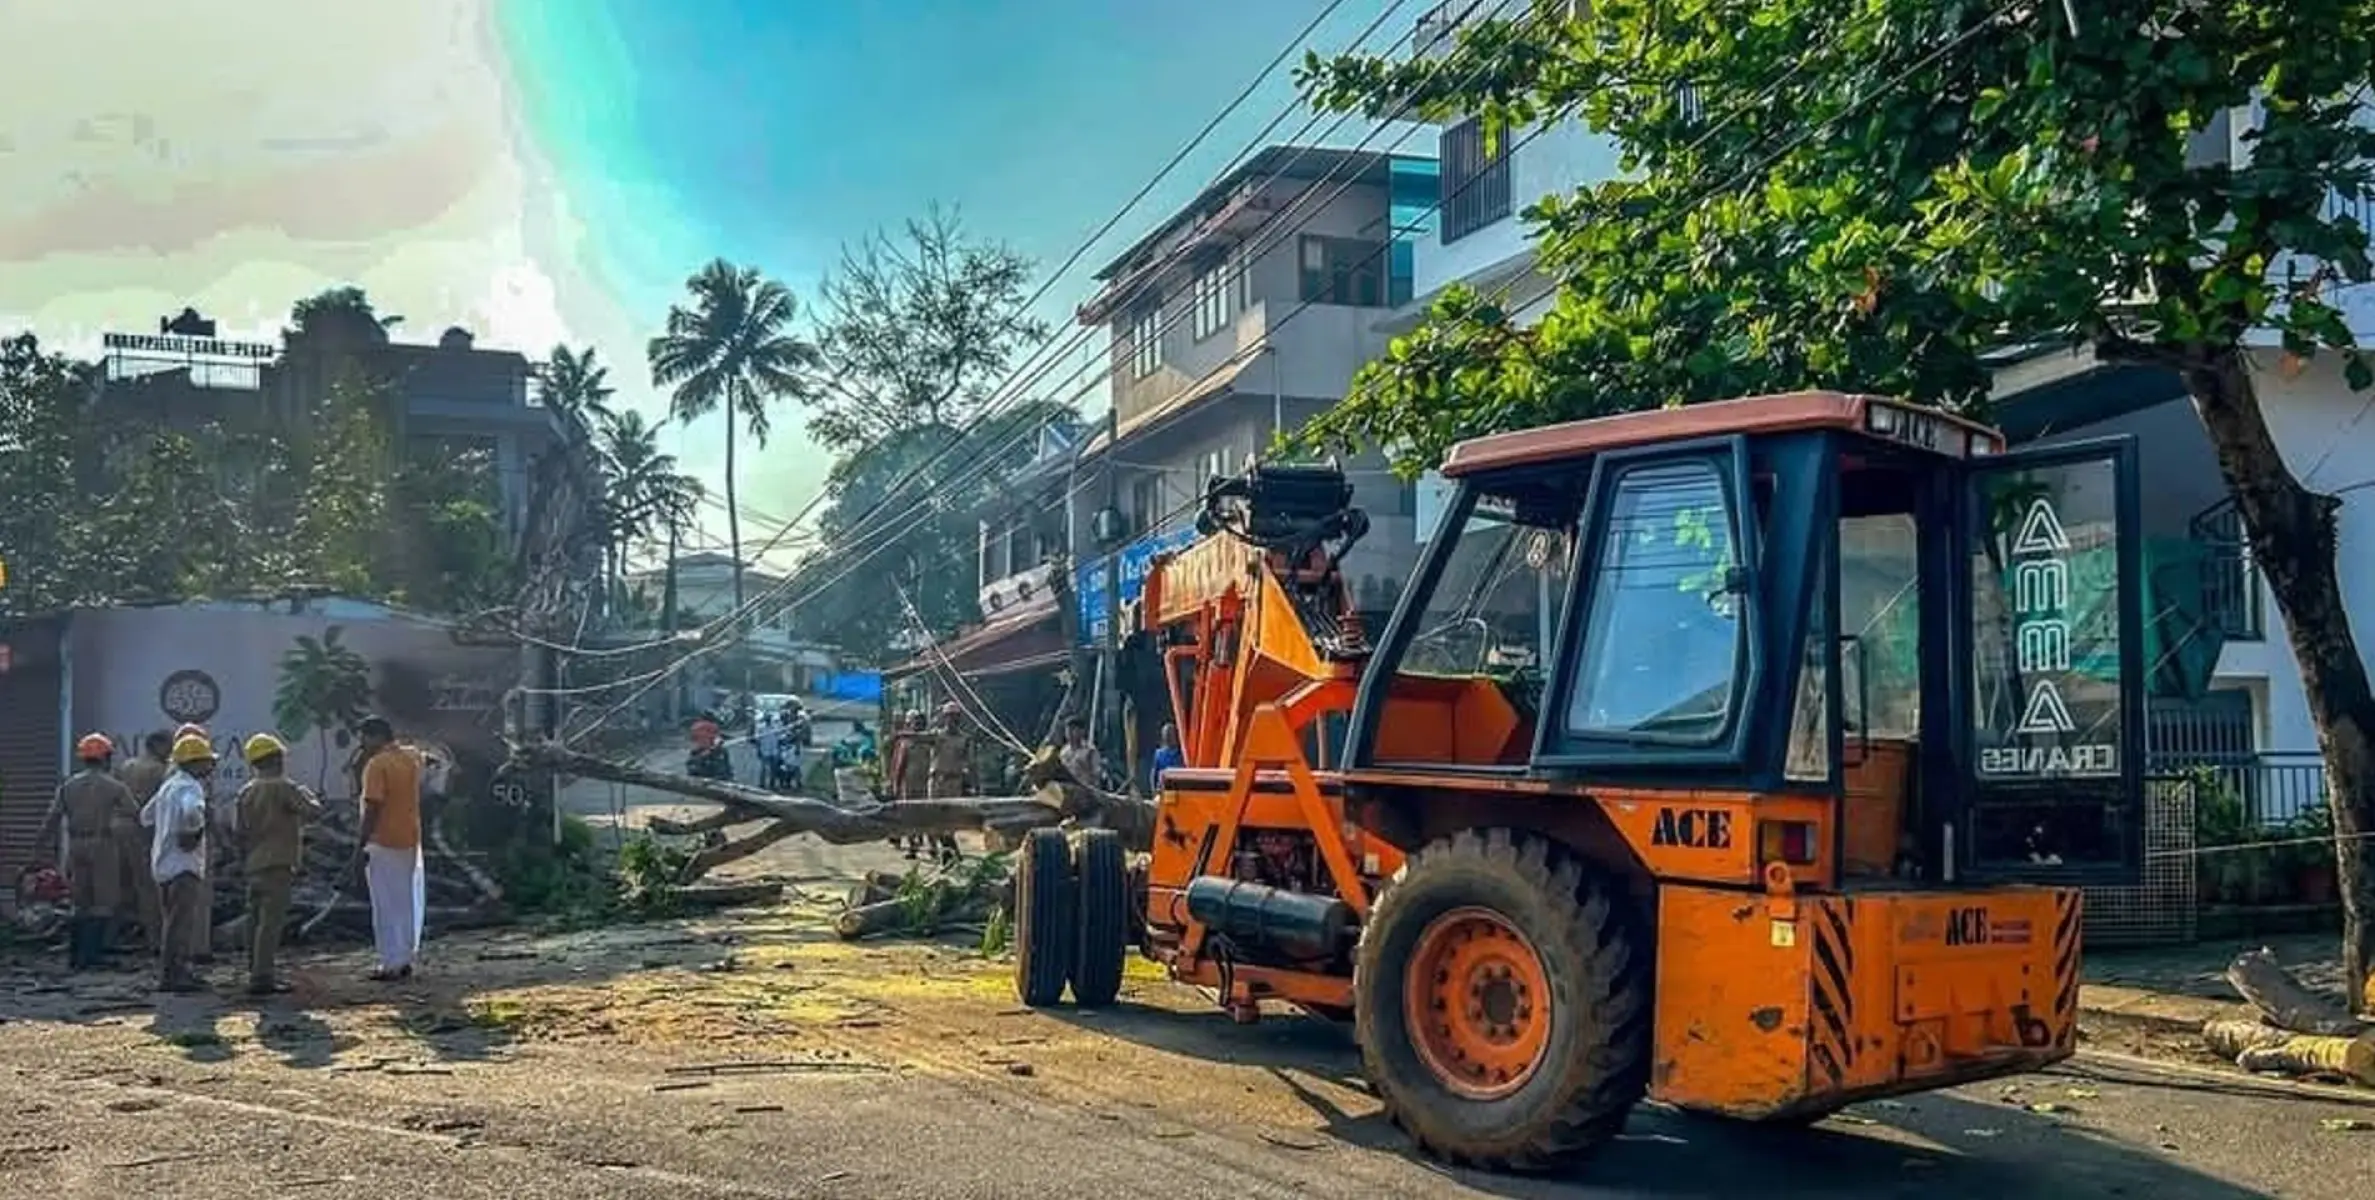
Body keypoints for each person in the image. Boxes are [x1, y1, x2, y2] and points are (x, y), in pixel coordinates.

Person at [36, 734, 139, 969]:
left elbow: (51, 819)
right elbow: (134, 813)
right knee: (102, 901)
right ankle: (92, 956)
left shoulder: (68, 785)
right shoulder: (114, 786)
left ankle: (75, 955)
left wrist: (38, 849)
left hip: (76, 844)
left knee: (79, 901)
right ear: (106, 758)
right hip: (102, 843)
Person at [235, 733, 322, 995]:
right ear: (276, 758)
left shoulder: (246, 791)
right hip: (279, 863)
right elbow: (312, 812)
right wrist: (310, 796)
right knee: (270, 924)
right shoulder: (284, 787)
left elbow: (239, 832)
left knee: (254, 920)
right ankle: (263, 978)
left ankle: (254, 969)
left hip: (254, 863)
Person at [141, 734, 216, 993]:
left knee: (171, 922)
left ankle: (173, 972)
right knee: (180, 924)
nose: (210, 767)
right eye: (207, 761)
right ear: (196, 762)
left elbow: (145, 817)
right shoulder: (191, 787)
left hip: (162, 863)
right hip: (184, 864)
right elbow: (193, 811)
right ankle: (175, 975)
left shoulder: (168, 786)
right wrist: (192, 833)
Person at [355, 716, 425, 982]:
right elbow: (422, 755)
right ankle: (405, 958)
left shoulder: (377, 765)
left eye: (363, 737)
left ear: (376, 736)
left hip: (382, 840)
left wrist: (360, 842)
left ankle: (391, 963)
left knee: (385, 904)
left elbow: (372, 806)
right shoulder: (410, 758)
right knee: (405, 901)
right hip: (409, 837)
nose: (361, 744)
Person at [113, 732, 172, 953]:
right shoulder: (160, 770)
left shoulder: (126, 766)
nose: (171, 751)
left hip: (117, 827)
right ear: (157, 745)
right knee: (147, 887)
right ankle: (155, 941)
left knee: (118, 886)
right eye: (169, 746)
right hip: (141, 829)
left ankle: (111, 939)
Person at [924, 703, 974, 863]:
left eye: (955, 717)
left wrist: (971, 783)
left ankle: (949, 853)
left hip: (954, 781)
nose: (952, 720)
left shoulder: (965, 739)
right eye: (949, 716)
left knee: (951, 819)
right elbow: (919, 737)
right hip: (937, 780)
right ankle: (951, 852)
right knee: (934, 817)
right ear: (944, 718)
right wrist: (901, 735)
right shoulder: (937, 735)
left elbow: (970, 763)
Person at [1058, 718, 1103, 791]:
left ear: (1082, 731)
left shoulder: (1090, 751)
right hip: (1067, 790)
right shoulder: (1063, 752)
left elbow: (1097, 775)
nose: (1070, 733)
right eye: (1068, 730)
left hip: (1084, 791)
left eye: (1073, 730)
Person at [1149, 722, 1185, 794]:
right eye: (1166, 734)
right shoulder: (1159, 754)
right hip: (1163, 788)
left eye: (1170, 734)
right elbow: (1154, 774)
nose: (1168, 737)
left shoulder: (1183, 753)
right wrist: (1154, 791)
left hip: (1179, 788)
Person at [754, 711, 783, 791]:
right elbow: (757, 740)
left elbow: (780, 738)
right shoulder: (760, 727)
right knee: (763, 768)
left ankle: (772, 784)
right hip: (764, 750)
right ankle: (762, 784)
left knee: (774, 768)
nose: (768, 719)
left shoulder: (775, 727)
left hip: (774, 750)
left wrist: (779, 749)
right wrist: (758, 750)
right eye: (766, 718)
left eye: (769, 718)